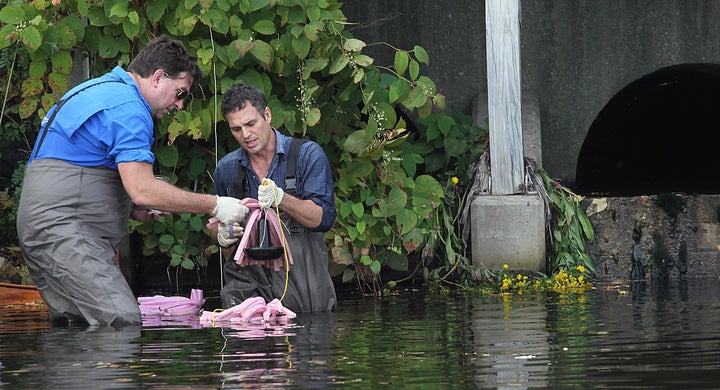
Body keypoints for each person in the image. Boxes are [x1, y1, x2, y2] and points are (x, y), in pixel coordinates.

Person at [16, 36, 249, 326]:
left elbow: (75, 169)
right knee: (121, 321)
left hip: (43, 228)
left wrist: (126, 207)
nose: (179, 105)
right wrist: (215, 205)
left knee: (74, 326)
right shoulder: (129, 108)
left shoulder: (99, 90)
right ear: (158, 77)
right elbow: (143, 189)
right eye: (179, 93)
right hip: (65, 232)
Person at [211, 83, 337, 313]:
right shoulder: (226, 168)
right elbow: (214, 227)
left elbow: (324, 218)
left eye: (251, 124)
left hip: (305, 298)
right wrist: (221, 235)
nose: (246, 135)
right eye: (236, 129)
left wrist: (282, 198)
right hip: (248, 300)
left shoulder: (306, 155)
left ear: (267, 115)